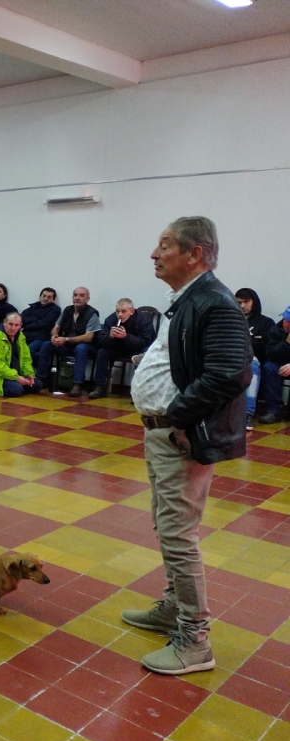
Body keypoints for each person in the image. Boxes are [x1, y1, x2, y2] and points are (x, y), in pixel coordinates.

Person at [123, 216, 251, 676]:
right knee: (166, 525)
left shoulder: (215, 303)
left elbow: (230, 374)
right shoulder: (187, 300)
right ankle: (172, 609)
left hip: (181, 435)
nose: (154, 254)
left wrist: (178, 416)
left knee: (178, 534)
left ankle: (194, 640)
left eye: (165, 246)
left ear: (194, 253)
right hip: (162, 433)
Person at [33, 287, 100, 396]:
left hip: (86, 347)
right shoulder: (67, 310)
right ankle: (41, 379)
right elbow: (56, 328)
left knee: (81, 348)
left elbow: (89, 337)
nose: (77, 298)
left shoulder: (92, 314)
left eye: (81, 295)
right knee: (47, 344)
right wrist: (54, 336)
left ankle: (77, 384)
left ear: (88, 299)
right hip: (67, 345)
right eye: (75, 295)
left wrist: (66, 339)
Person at [87, 299, 156, 399]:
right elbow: (100, 341)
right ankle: (100, 387)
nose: (120, 314)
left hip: (137, 349)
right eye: (117, 311)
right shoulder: (111, 319)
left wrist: (126, 336)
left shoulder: (143, 320)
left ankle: (138, 392)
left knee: (141, 356)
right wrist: (110, 336)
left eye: (123, 311)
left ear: (131, 311)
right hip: (118, 348)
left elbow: (147, 342)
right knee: (102, 352)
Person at [235, 288, 275, 429]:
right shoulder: (229, 320)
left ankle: (247, 414)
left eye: (246, 302)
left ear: (254, 302)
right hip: (230, 359)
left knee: (252, 368)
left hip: (252, 360)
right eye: (239, 302)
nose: (243, 306)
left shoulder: (266, 323)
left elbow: (269, 348)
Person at [0, 313, 42, 398]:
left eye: (16, 325)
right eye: (10, 324)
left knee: (37, 385)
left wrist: (29, 375)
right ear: (4, 322)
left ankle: (19, 385)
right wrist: (16, 377)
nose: (13, 328)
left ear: (20, 325)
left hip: (13, 373)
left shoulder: (21, 337)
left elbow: (26, 359)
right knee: (16, 389)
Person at [258, 305, 290, 425]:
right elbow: (270, 354)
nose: (285, 323)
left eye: (289, 321)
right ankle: (273, 409)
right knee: (269, 367)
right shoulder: (276, 329)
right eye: (285, 319)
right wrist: (286, 342)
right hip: (282, 364)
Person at [19, 288, 61, 365]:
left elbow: (44, 324)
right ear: (40, 296)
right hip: (25, 335)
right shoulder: (33, 307)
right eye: (44, 296)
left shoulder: (55, 310)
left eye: (49, 297)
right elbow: (21, 319)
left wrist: (27, 325)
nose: (45, 298)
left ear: (53, 299)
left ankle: (42, 368)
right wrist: (34, 320)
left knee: (29, 350)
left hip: (41, 337)